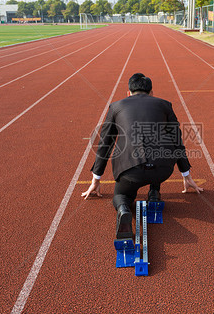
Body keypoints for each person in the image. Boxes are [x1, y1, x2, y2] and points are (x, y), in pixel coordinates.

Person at [82, 73, 203, 239]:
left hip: (131, 171)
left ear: (128, 92)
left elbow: (105, 144)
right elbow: (177, 140)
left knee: (121, 196)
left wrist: (96, 179)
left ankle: (124, 209)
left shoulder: (116, 106)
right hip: (162, 169)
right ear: (152, 92)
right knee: (158, 150)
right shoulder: (165, 105)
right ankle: (154, 193)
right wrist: (186, 174)